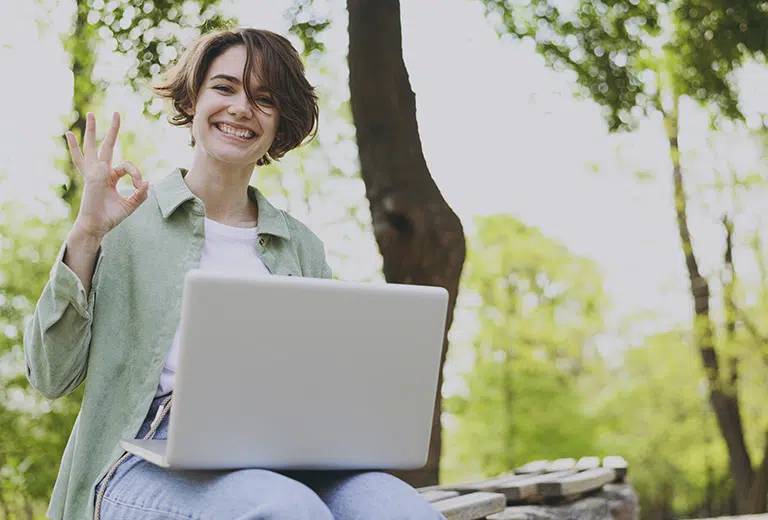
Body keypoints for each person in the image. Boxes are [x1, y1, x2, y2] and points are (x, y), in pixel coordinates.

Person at [24, 27, 445, 520]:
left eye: (263, 98)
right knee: (286, 510)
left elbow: (325, 384)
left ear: (280, 120)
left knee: (400, 510)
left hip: (283, 454)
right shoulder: (123, 224)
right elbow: (50, 377)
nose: (242, 108)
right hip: (140, 458)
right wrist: (86, 235)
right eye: (224, 88)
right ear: (193, 98)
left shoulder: (302, 246)